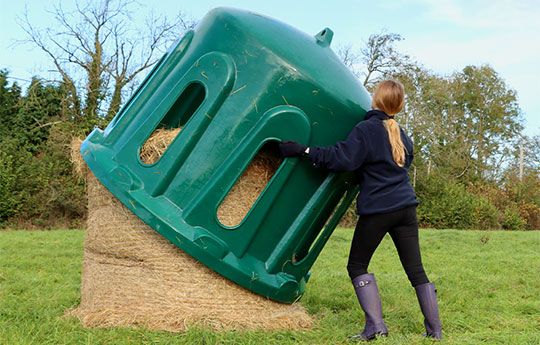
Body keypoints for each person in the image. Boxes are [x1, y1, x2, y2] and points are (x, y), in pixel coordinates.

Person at [279, 80, 442, 341]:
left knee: (357, 265)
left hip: (379, 210)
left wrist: (303, 150)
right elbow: (404, 161)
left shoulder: (366, 130)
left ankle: (376, 326)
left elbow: (340, 158)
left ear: (376, 100)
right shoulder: (401, 133)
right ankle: (435, 331)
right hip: (406, 209)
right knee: (416, 270)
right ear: (397, 106)